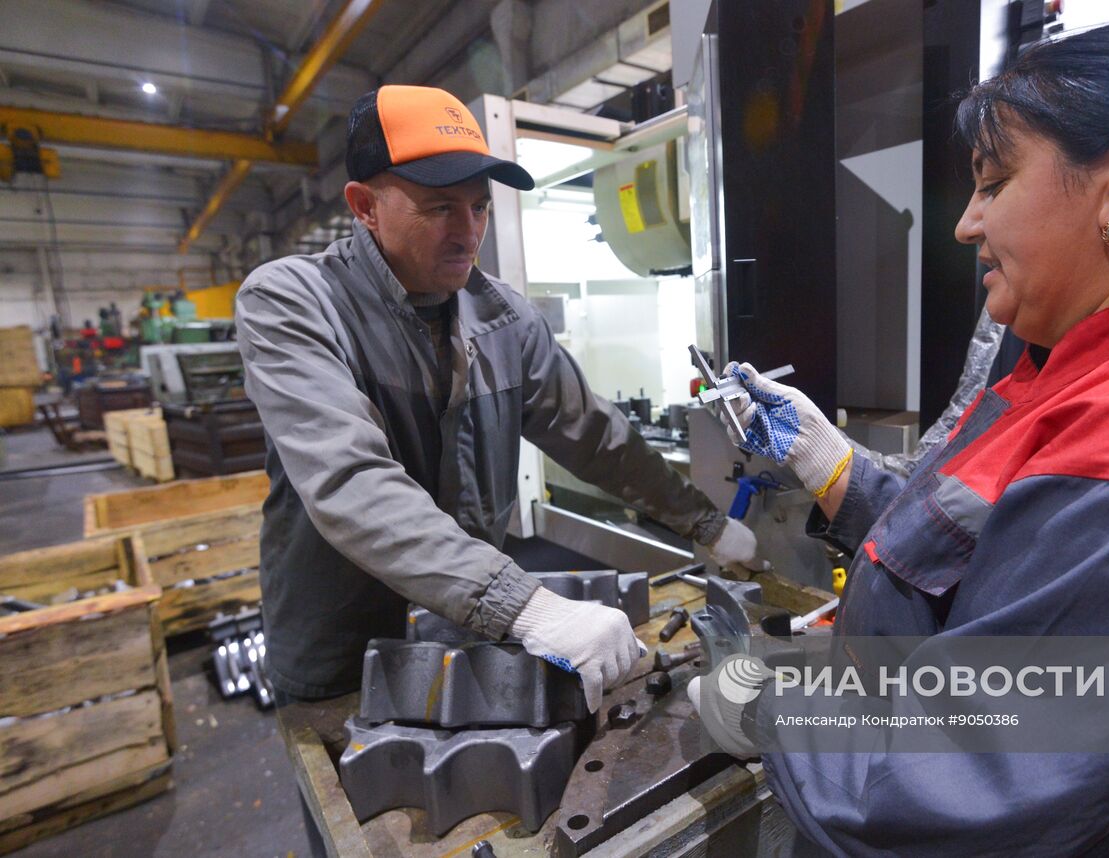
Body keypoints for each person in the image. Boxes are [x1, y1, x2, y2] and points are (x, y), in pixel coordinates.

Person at [689, 17, 1109, 855]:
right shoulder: (1090, 373)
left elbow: (937, 794)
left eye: (995, 181)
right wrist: (825, 455)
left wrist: (759, 702)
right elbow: (990, 549)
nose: (966, 224)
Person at [236, 85, 765, 714]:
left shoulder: (504, 320)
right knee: (357, 803)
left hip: (464, 630)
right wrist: (525, 607)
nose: (468, 233)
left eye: (480, 207)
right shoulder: (293, 302)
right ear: (365, 206)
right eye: (439, 208)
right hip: (345, 652)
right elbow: (350, 481)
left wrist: (702, 522)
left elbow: (593, 437)